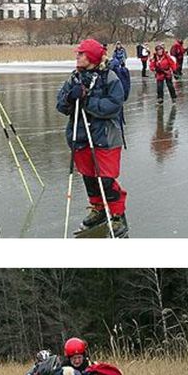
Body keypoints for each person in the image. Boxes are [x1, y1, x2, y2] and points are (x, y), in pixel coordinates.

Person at [57, 38, 129, 237]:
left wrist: (87, 100)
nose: (77, 56)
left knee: (105, 179)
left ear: (91, 57)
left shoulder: (110, 77)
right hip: (80, 136)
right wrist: (70, 98)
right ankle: (98, 208)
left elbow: (114, 105)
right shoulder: (74, 78)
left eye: (81, 54)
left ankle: (117, 215)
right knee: (89, 178)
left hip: (104, 137)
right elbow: (61, 106)